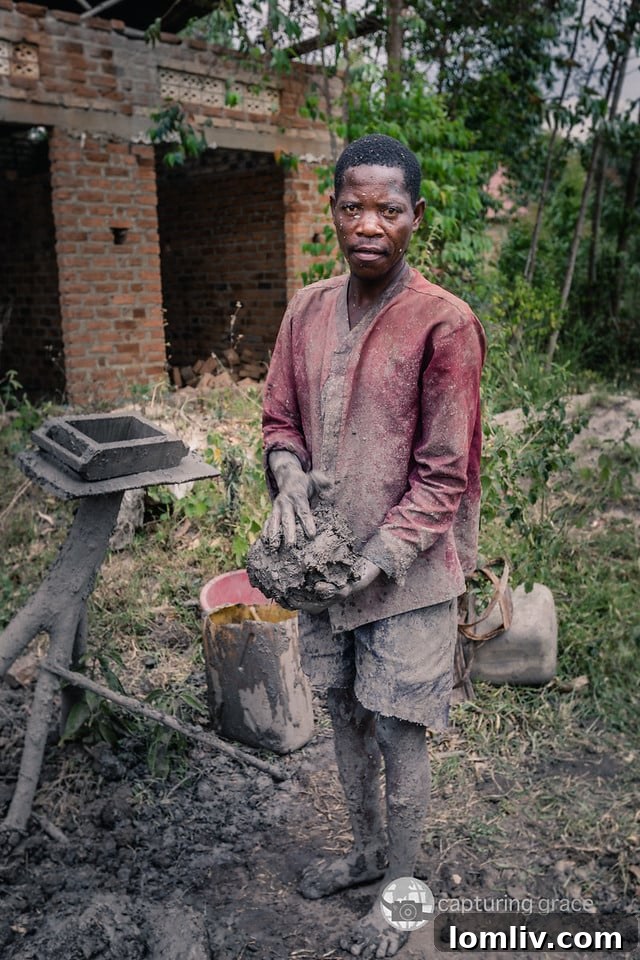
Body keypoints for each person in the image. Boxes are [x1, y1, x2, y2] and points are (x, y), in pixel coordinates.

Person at [261, 133, 485, 958]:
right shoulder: (307, 311)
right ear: (333, 211)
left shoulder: (444, 323)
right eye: (352, 206)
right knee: (346, 717)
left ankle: (400, 896)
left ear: (415, 218)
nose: (368, 224)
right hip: (325, 566)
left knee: (399, 731)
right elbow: (279, 421)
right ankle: (363, 853)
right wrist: (288, 478)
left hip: (408, 576)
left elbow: (443, 475)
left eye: (388, 210)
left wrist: (376, 559)